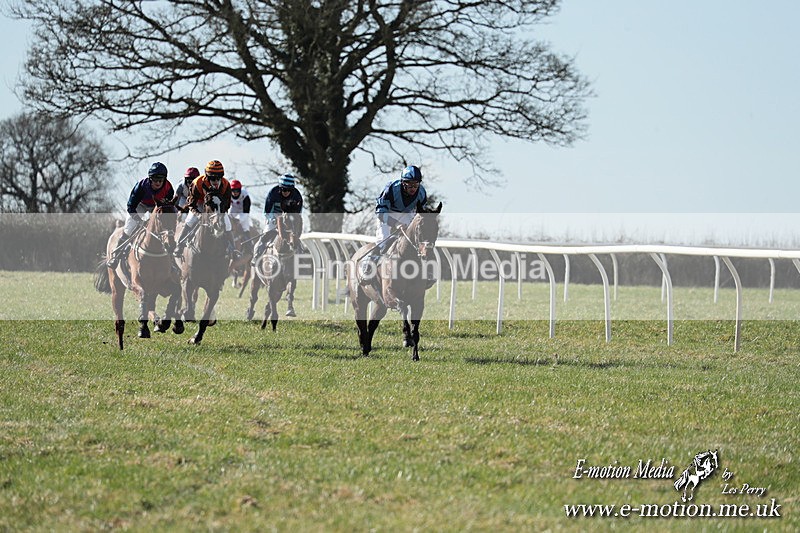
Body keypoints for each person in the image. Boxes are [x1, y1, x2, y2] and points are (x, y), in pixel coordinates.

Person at [359, 165, 427, 281]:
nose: (413, 188)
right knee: (383, 241)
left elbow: (421, 214)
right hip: (387, 213)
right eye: (409, 185)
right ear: (403, 183)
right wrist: (395, 224)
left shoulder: (422, 193)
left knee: (413, 241)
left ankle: (424, 271)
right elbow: (380, 212)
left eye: (416, 185)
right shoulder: (391, 189)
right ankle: (369, 265)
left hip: (406, 213)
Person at [173, 159, 238, 258]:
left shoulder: (226, 185)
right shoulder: (197, 183)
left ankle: (233, 249)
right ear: (207, 177)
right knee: (190, 220)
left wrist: (220, 215)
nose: (216, 181)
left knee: (227, 224)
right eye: (213, 178)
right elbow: (191, 204)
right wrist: (199, 215)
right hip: (199, 203)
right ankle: (180, 245)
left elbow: (227, 204)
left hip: (216, 206)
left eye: (218, 178)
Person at [251, 174, 304, 266]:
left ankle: (301, 254)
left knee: (295, 235)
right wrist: (273, 219)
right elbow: (266, 212)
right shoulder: (273, 193)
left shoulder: (297, 196)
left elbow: (297, 214)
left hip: (289, 216)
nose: (286, 192)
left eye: (289, 190)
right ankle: (257, 255)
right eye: (284, 189)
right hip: (274, 215)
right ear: (280, 188)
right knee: (266, 234)